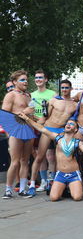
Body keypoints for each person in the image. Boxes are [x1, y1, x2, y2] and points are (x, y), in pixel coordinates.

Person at [18, 114, 83, 201]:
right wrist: (27, 119)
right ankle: (64, 187)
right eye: (68, 123)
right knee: (53, 198)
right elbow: (42, 129)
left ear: (75, 130)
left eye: (72, 124)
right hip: (60, 174)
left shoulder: (78, 142)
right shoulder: (58, 138)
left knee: (77, 197)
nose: (68, 124)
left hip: (73, 174)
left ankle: (69, 186)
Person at [27, 80, 77, 197]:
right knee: (40, 156)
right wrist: (35, 126)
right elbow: (45, 116)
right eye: (63, 88)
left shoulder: (74, 105)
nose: (64, 90)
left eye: (66, 88)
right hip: (49, 129)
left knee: (59, 158)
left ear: (71, 89)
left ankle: (55, 182)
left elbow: (75, 121)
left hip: (61, 131)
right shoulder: (54, 100)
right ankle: (32, 185)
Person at [2, 70, 35, 198]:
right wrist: (25, 112)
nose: (25, 81)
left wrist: (34, 117)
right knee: (15, 162)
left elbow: (30, 115)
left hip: (28, 129)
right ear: (15, 82)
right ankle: (8, 189)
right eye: (22, 80)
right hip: (16, 130)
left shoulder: (28, 96)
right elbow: (4, 115)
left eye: (26, 79)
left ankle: (22, 189)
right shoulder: (11, 95)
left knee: (25, 161)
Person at [30, 69, 57, 191]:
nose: (38, 80)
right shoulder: (32, 95)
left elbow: (56, 113)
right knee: (39, 157)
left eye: (40, 77)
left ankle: (52, 182)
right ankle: (44, 182)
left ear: (45, 79)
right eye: (36, 78)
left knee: (50, 156)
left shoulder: (53, 94)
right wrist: (36, 119)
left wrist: (45, 119)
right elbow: (30, 112)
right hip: (36, 128)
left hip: (48, 128)